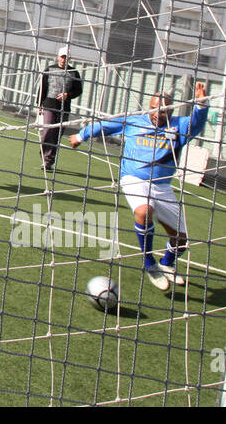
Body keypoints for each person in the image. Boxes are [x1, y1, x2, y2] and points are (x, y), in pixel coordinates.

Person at [69, 82, 209, 291]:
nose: (156, 114)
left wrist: (201, 103)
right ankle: (149, 263)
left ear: (170, 111)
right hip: (134, 179)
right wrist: (81, 135)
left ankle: (167, 264)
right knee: (144, 212)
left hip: (162, 187)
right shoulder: (135, 121)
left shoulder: (179, 126)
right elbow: (105, 125)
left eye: (161, 111)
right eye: (153, 109)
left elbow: (197, 122)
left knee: (181, 241)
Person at [36, 45, 83, 173]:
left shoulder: (74, 73)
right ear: (58, 57)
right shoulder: (49, 69)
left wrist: (68, 95)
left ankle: (49, 160)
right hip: (49, 105)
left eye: (66, 57)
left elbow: (79, 90)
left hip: (64, 108)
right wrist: (39, 105)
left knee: (57, 134)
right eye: (62, 57)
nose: (64, 59)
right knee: (47, 131)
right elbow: (43, 88)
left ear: (70, 58)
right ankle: (44, 156)